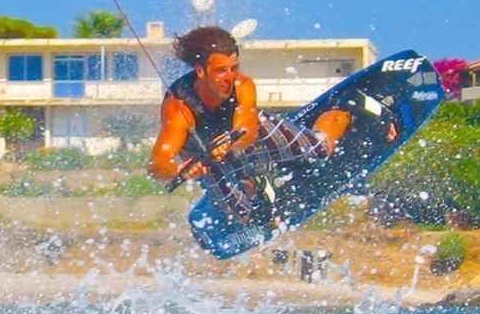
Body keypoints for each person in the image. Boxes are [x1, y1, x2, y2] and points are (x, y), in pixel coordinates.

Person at [148, 26, 352, 221]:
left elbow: (248, 131)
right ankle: (254, 184)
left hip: (247, 137)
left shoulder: (242, 85)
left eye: (233, 68)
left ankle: (343, 111)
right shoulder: (179, 109)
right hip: (205, 159)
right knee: (243, 218)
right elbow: (156, 165)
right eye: (220, 70)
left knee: (322, 149)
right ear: (201, 71)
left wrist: (228, 142)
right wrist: (179, 169)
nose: (229, 77)